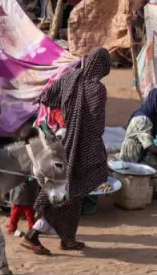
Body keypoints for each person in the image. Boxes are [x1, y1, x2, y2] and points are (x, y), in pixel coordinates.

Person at [22, 48, 111, 255]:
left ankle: (68, 238)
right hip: (82, 146)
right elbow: (97, 124)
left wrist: (65, 118)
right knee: (70, 190)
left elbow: (46, 95)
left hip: (63, 139)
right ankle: (33, 234)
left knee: (74, 193)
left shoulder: (70, 78)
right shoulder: (97, 88)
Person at [120, 88, 157, 163]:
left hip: (139, 150)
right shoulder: (143, 119)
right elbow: (149, 145)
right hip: (132, 155)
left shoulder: (148, 113)